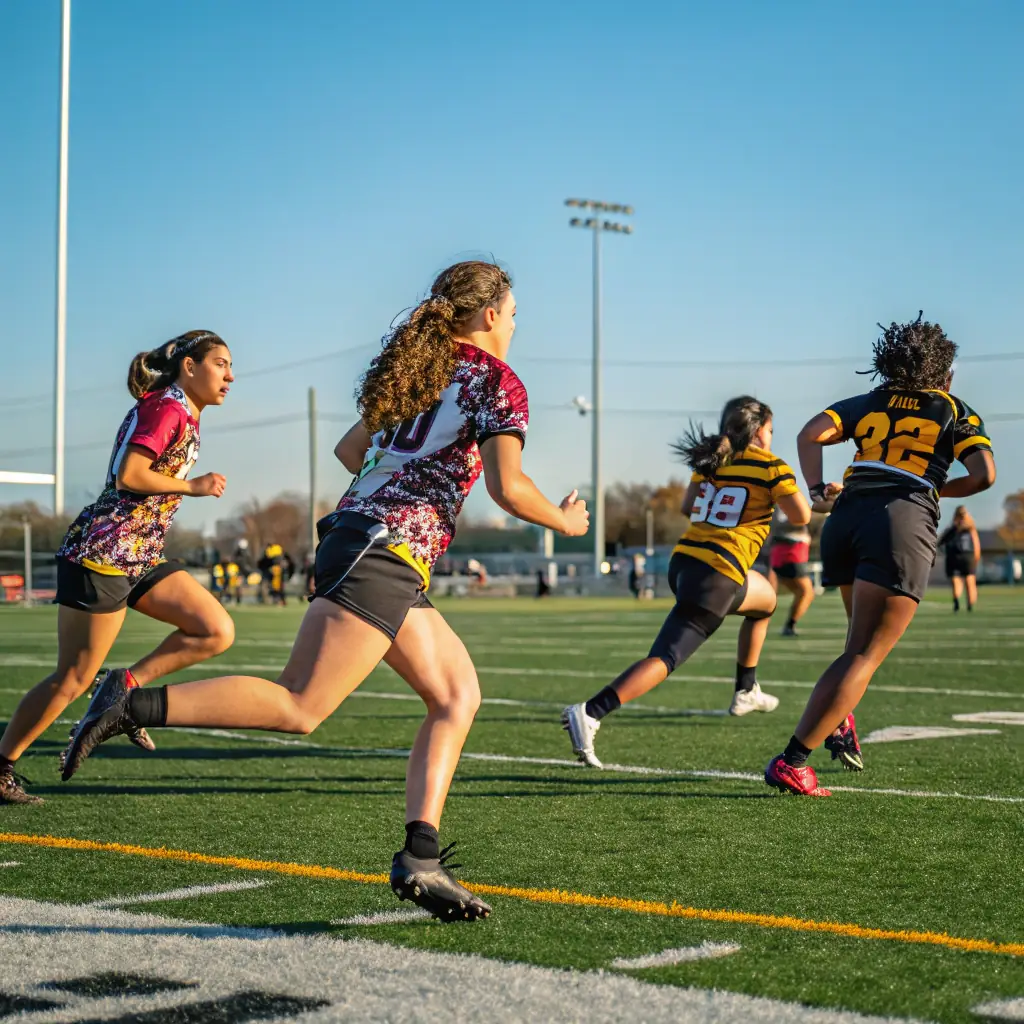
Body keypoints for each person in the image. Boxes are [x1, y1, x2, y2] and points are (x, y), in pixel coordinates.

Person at [62, 260, 589, 922]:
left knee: (456, 696)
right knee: (300, 706)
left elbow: (349, 451)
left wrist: (407, 471)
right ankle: (130, 702)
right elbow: (509, 489)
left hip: (370, 542)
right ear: (488, 315)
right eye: (512, 311)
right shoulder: (497, 381)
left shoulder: (417, 368)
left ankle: (420, 858)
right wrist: (566, 520)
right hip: (383, 552)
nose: (515, 322)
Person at [0, 330, 235, 805]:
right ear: (189, 367)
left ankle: (124, 685)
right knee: (71, 677)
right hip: (105, 554)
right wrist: (194, 486)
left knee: (214, 630)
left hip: (141, 553)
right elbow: (131, 474)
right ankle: (1, 766)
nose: (230, 376)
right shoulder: (168, 407)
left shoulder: (179, 409)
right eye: (221, 364)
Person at [766, 314, 996, 796]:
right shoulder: (953, 408)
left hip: (844, 519)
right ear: (945, 373)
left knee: (856, 647)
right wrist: (938, 489)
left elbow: (810, 434)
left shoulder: (867, 401)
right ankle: (794, 760)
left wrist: (814, 489)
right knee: (865, 653)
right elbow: (985, 474)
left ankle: (839, 716)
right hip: (899, 522)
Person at [562, 396, 812, 768]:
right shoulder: (772, 466)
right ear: (760, 431)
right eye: (772, 430)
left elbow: (686, 507)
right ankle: (591, 712)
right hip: (718, 572)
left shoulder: (714, 459)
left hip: (686, 562)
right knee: (665, 658)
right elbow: (801, 515)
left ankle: (746, 689)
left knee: (766, 601)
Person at [767, 509, 815, 636]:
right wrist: (804, 517)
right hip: (789, 550)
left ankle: (787, 625)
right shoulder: (782, 502)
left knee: (801, 592)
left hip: (792, 549)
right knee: (806, 592)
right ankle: (789, 626)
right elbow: (777, 524)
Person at [939, 505, 981, 612]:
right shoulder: (969, 528)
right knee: (968, 581)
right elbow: (976, 544)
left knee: (958, 580)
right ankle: (969, 604)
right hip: (966, 556)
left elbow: (940, 543)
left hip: (956, 556)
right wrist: (976, 556)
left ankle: (958, 600)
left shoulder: (954, 529)